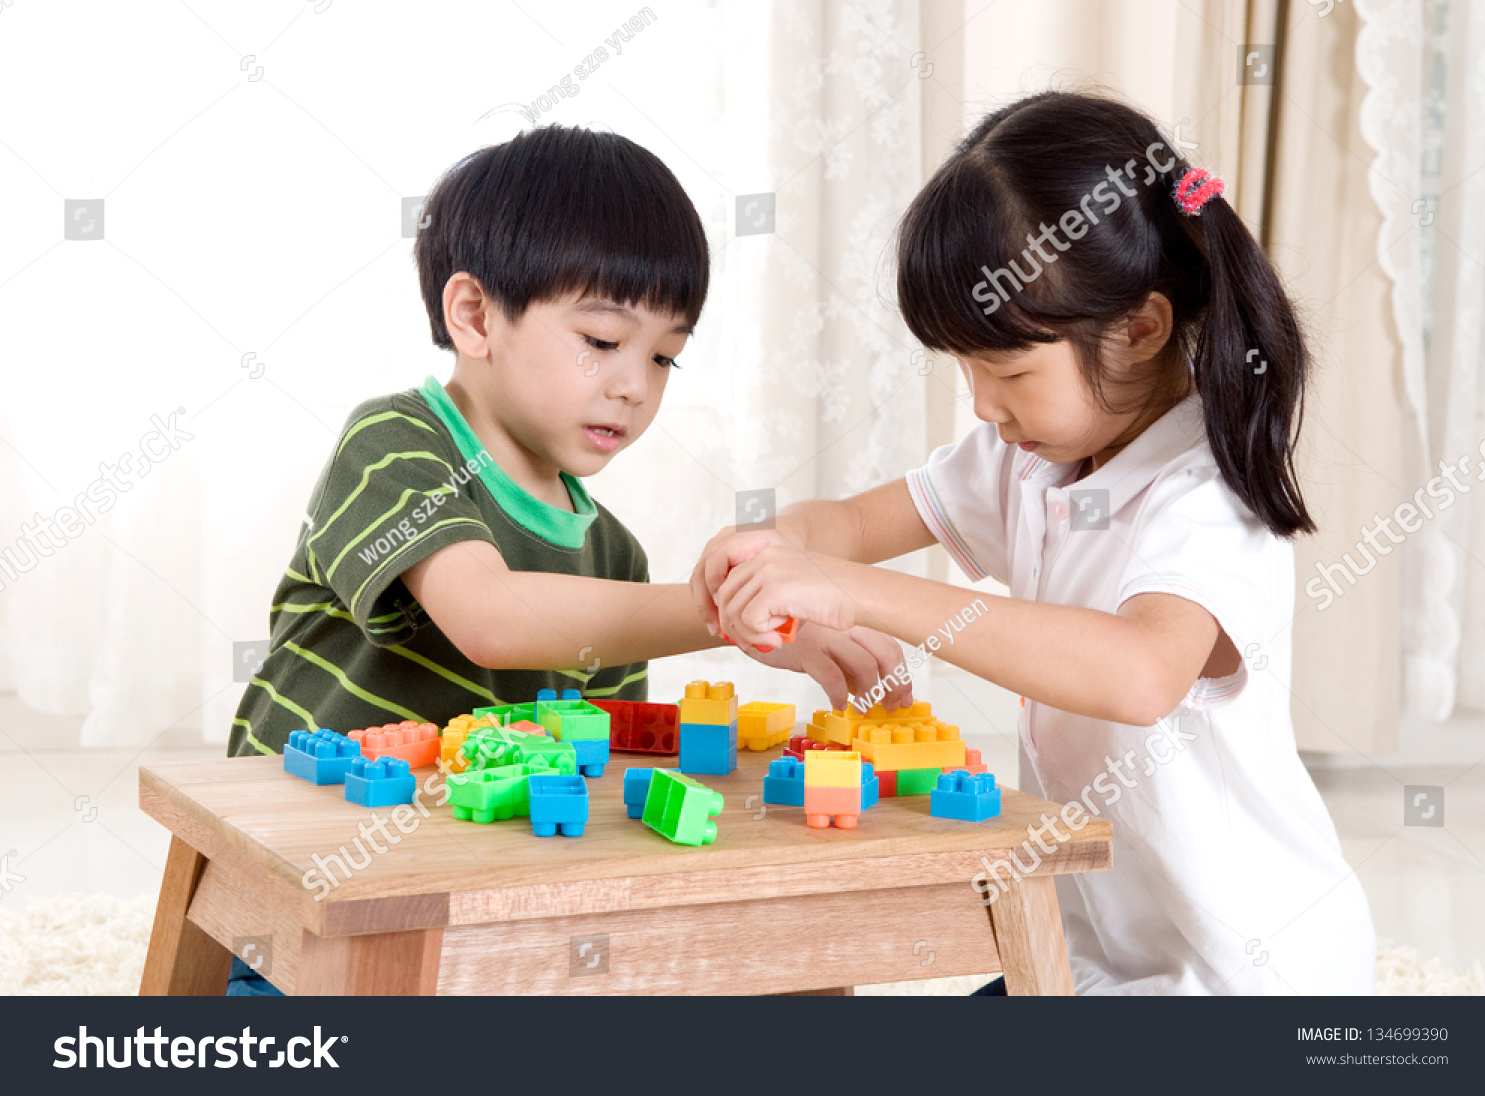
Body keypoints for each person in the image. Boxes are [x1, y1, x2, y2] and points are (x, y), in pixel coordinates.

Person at [692, 91, 1376, 995]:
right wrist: (763, 551)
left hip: (1243, 983)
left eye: (1009, 369)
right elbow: (850, 525)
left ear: (1139, 330)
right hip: (1089, 960)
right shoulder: (1029, 458)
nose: (983, 404)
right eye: (968, 368)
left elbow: (1137, 673)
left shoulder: (1206, 493)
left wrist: (851, 590)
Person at [224, 125, 908, 995]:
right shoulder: (396, 445)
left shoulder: (613, 553)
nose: (635, 384)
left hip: (484, 907)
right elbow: (490, 617)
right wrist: (723, 613)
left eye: (664, 356)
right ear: (474, 317)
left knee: (781, 961)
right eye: (601, 339)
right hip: (316, 893)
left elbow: (600, 767)